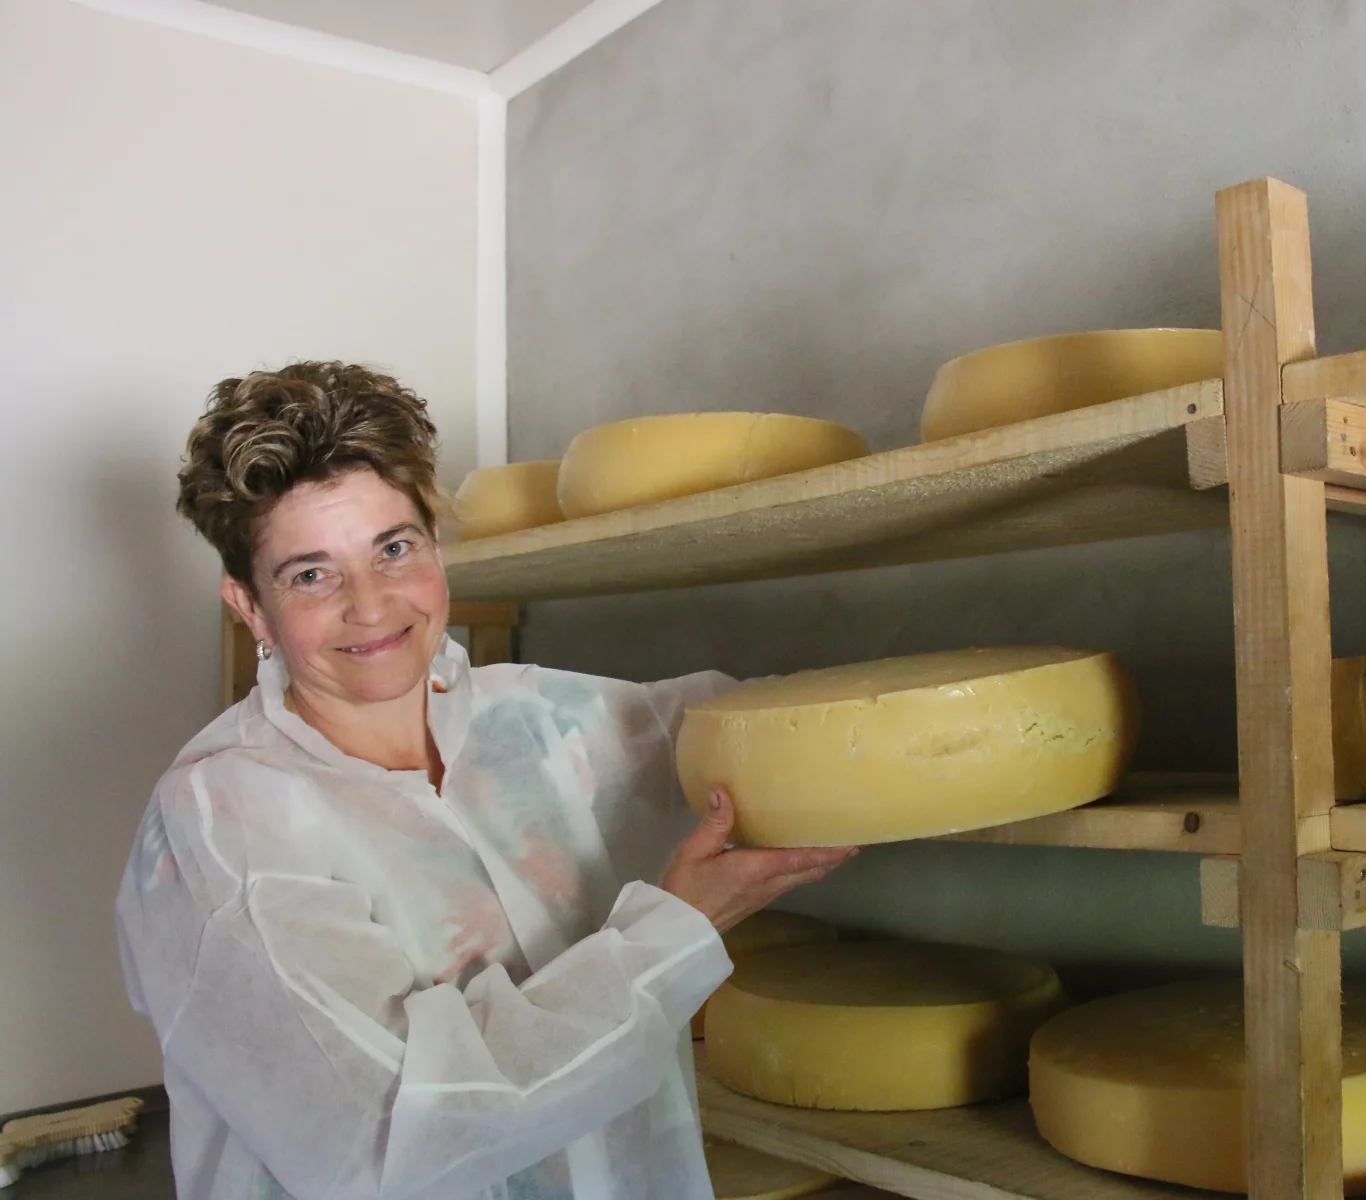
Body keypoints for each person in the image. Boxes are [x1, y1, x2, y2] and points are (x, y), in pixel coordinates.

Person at [115, 362, 857, 1200]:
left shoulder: (536, 722)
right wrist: (677, 931)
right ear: (249, 606)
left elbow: (750, 726)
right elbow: (393, 1136)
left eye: (394, 549)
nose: (372, 604)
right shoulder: (222, 819)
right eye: (312, 574)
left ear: (435, 546)